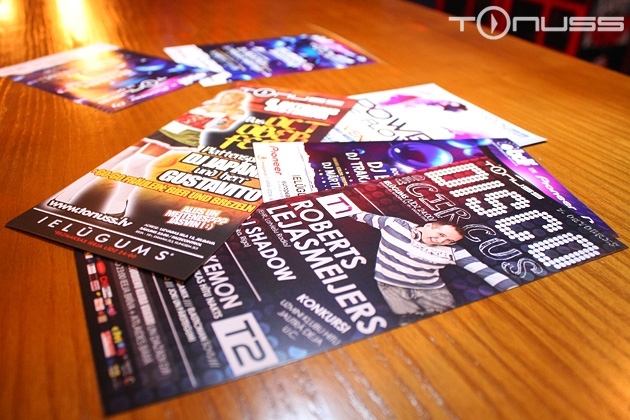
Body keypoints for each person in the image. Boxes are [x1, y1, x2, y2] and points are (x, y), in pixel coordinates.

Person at [350, 211, 519, 322]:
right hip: (390, 285)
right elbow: (358, 214)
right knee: (409, 324)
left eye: (449, 240)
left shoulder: (454, 251)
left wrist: (517, 294)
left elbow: (487, 273)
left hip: (432, 291)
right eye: (441, 234)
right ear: (428, 226)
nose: (442, 241)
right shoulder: (394, 224)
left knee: (450, 323)